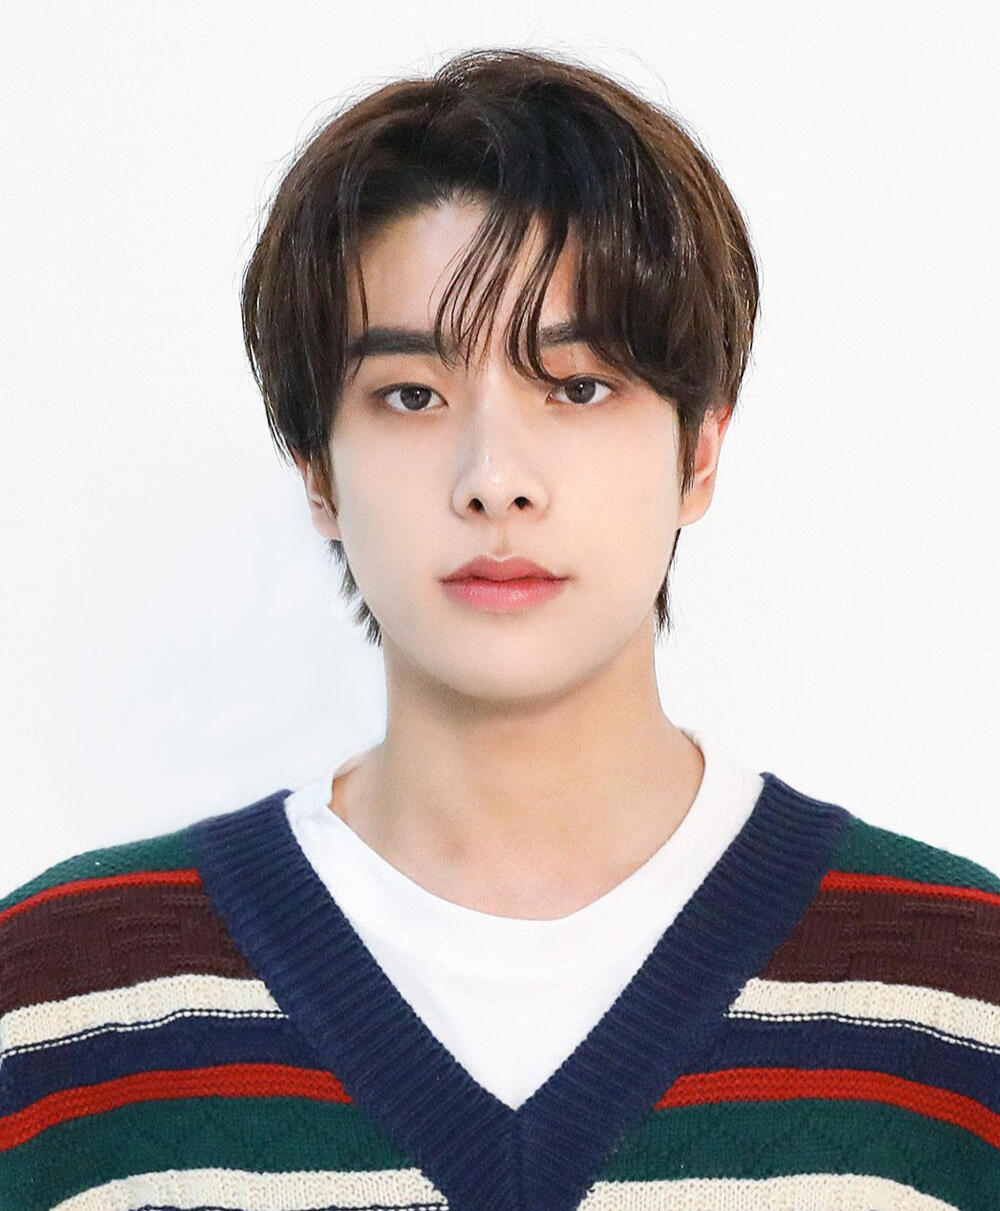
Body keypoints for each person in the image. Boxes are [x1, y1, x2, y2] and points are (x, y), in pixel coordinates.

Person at [1, 47, 997, 1211]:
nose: (494, 478)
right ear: (318, 469)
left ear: (699, 450)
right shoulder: (61, 1000)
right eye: (411, 395)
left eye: (576, 385)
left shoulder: (958, 999)